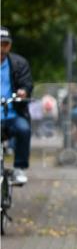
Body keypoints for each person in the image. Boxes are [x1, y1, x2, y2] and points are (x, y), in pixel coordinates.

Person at [0, 27, 32, 185]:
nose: (1, 48)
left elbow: (27, 84)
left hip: (12, 115)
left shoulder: (19, 64)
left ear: (10, 46)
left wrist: (24, 92)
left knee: (24, 129)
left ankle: (19, 168)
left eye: (5, 44)